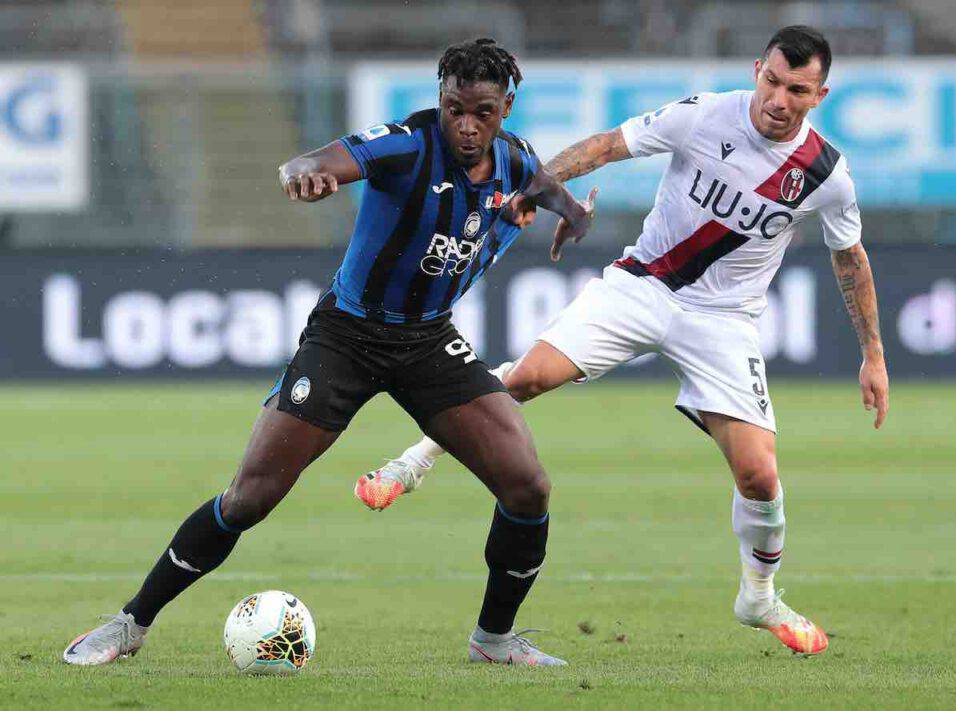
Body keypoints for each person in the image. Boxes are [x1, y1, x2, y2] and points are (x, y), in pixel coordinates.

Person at [354, 26, 890, 656]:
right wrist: (536, 190)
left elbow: (850, 259)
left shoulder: (827, 174)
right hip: (642, 285)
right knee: (527, 377)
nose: (778, 99)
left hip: (724, 321)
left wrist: (873, 356)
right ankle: (411, 463)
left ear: (819, 94)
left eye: (796, 89)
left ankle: (759, 596)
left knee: (759, 475)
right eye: (771, 81)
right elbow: (610, 146)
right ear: (757, 70)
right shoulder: (703, 115)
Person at [62, 38, 596, 668]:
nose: (467, 125)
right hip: (346, 336)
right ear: (440, 100)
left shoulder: (515, 159)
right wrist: (306, 177)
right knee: (250, 498)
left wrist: (571, 215)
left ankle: (494, 639)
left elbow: (547, 187)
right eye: (455, 108)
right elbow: (311, 162)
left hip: (428, 340)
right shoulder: (407, 144)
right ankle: (130, 623)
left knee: (527, 487)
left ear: (506, 106)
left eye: (482, 111)